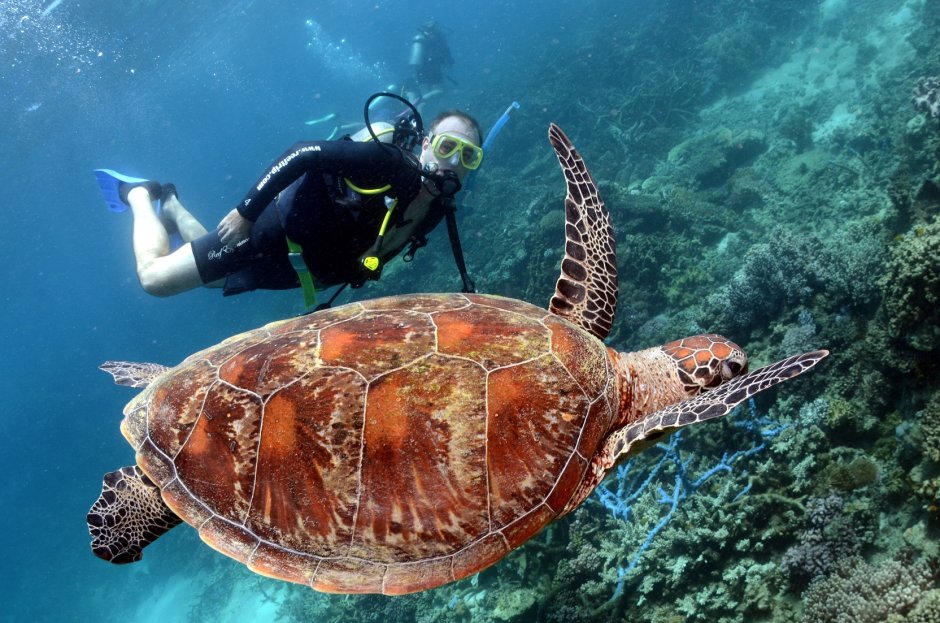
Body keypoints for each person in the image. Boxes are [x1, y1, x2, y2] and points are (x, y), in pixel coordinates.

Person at [95, 110, 484, 306]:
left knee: (214, 279)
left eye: (469, 156)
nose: (454, 163)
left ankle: (172, 206)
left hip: (306, 271)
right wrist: (246, 211)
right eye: (447, 147)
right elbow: (304, 152)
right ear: (426, 143)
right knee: (155, 279)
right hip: (274, 234)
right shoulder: (387, 163)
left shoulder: (439, 207)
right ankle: (141, 194)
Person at [405, 20, 453, 110]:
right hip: (433, 69)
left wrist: (414, 73)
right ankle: (420, 100)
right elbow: (447, 54)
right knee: (439, 91)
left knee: (424, 99)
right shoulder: (439, 38)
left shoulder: (422, 39)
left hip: (420, 70)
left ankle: (418, 118)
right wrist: (449, 61)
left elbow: (415, 61)